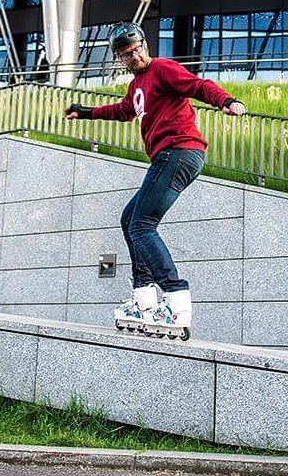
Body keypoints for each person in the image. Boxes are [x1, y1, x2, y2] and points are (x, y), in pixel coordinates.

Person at [64, 22, 245, 339]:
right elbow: (123, 111)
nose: (133, 56)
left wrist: (226, 101)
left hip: (178, 151)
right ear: (120, 59)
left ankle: (176, 299)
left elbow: (197, 86)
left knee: (141, 225)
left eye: (136, 49)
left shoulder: (162, 69)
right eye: (125, 54)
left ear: (145, 45)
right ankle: (144, 299)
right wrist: (87, 112)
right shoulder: (136, 87)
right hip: (169, 157)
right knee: (129, 219)